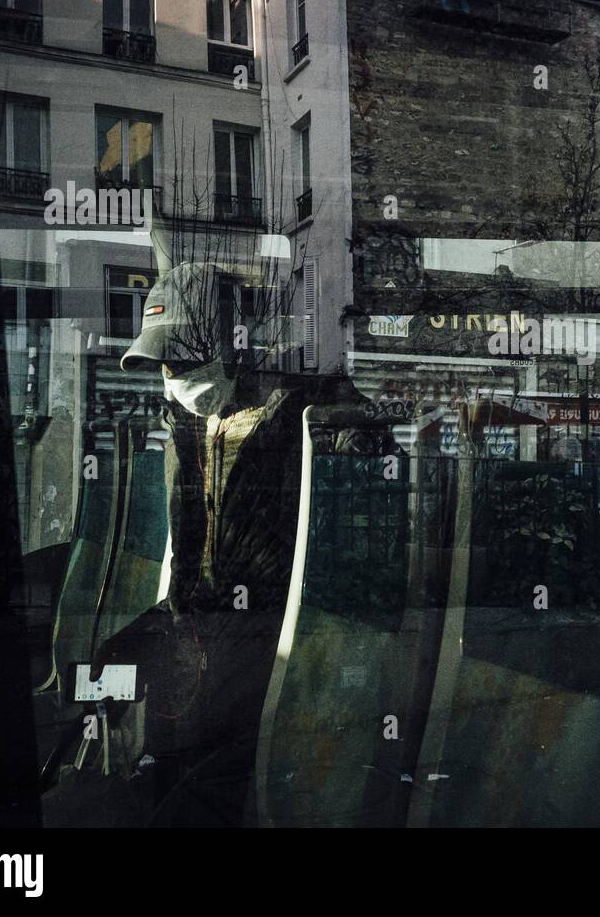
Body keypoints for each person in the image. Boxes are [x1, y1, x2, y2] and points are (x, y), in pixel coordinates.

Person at [69, 262, 385, 825]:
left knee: (198, 793)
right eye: (162, 363)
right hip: (195, 626)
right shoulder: (188, 423)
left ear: (232, 346)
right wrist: (120, 659)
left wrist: (347, 431)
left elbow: (365, 492)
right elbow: (190, 550)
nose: (171, 375)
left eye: (182, 359)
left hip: (269, 637)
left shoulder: (304, 412)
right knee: (101, 684)